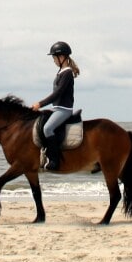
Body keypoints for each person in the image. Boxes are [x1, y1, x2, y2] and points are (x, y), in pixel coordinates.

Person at [29, 41, 80, 171]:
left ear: (61, 57)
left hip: (64, 110)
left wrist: (40, 104)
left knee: (47, 129)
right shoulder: (61, 72)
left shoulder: (67, 73)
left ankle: (54, 161)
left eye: (54, 58)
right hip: (57, 108)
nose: (53, 61)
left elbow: (57, 94)